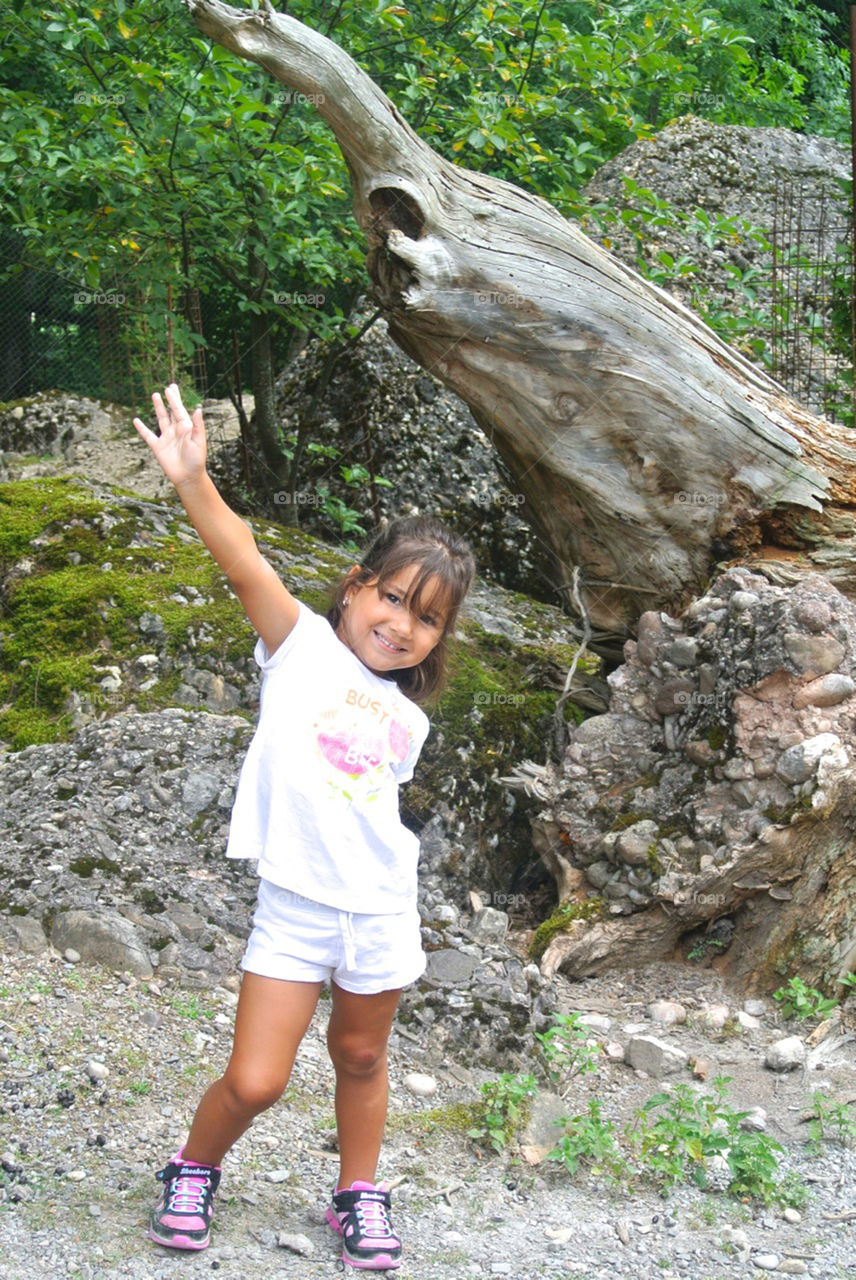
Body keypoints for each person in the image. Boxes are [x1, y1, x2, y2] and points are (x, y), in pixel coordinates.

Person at [132, 384, 475, 1271]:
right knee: (258, 1080)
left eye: (427, 617)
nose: (402, 625)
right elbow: (243, 557)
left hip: (381, 909)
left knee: (361, 1058)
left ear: (441, 637)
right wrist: (193, 480)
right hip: (296, 907)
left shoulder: (413, 720)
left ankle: (358, 1194)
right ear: (357, 587)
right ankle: (191, 1169)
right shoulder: (300, 648)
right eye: (393, 598)